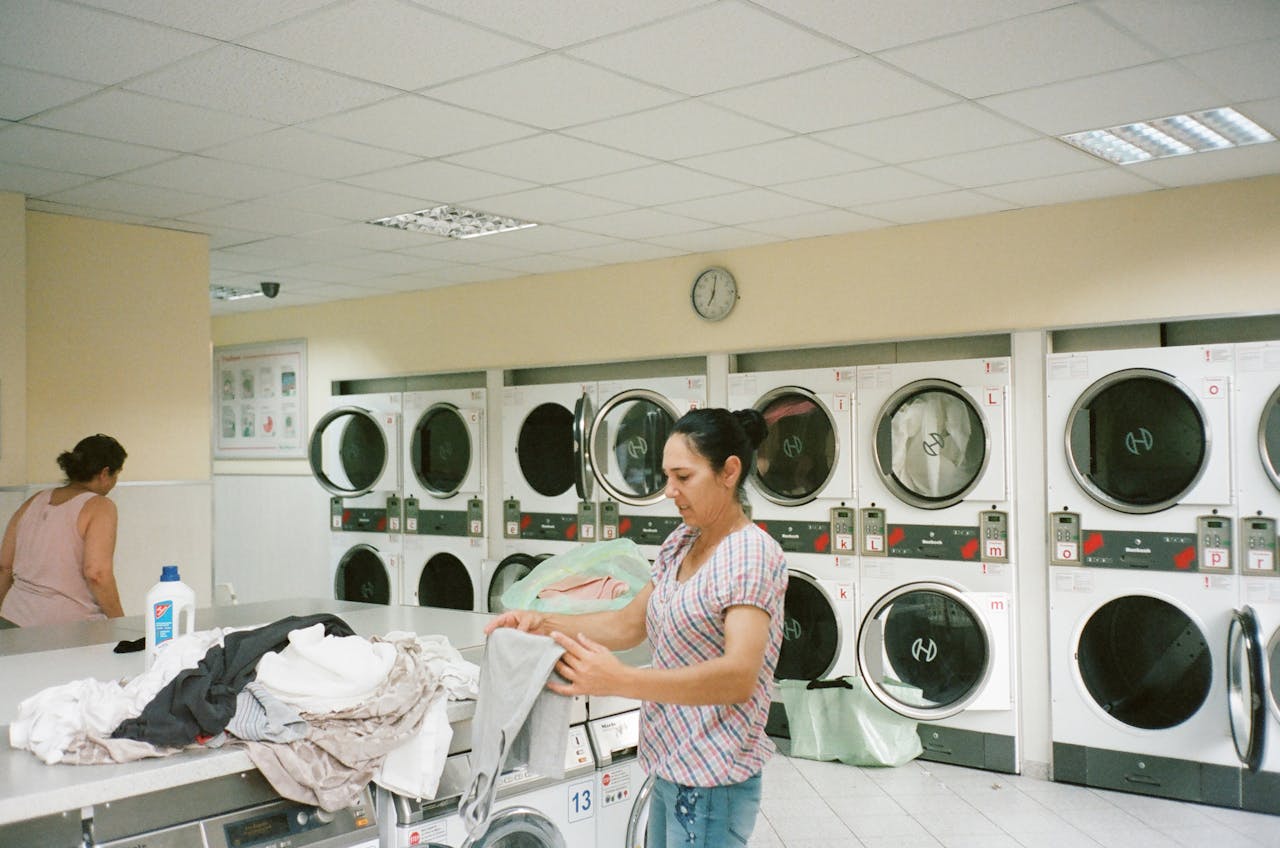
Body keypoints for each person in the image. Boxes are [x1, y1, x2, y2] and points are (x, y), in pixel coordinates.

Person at [486, 408, 787, 847]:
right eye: (667, 477)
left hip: (712, 778)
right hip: (668, 764)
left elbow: (739, 676)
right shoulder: (681, 543)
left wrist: (621, 680)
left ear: (729, 471)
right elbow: (629, 624)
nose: (670, 491)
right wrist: (541, 623)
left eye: (683, 477)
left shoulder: (750, 555)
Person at [0, 434, 127, 626]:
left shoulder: (34, 500)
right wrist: (120, 624)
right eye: (116, 474)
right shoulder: (100, 506)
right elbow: (97, 573)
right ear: (104, 473)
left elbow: (4, 566)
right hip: (66, 629)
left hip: (13, 618)